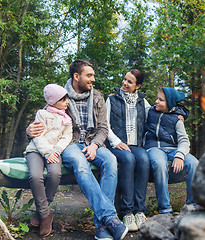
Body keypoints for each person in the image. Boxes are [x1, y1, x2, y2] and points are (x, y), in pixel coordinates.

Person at [26, 59, 128, 240]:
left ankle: (101, 225)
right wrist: (29, 131)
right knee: (81, 164)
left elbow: (104, 128)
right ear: (76, 76)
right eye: (89, 75)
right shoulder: (60, 96)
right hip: (70, 144)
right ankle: (109, 218)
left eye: (93, 75)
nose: (93, 79)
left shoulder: (97, 97)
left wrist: (95, 145)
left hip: (93, 142)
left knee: (111, 161)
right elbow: (44, 124)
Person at [25, 84, 72, 237]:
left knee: (54, 174)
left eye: (67, 99)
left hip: (55, 152)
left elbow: (67, 137)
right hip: (36, 151)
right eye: (63, 100)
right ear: (53, 101)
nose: (67, 102)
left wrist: (56, 151)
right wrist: (46, 152)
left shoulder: (67, 119)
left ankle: (41, 210)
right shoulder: (41, 114)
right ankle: (46, 215)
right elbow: (37, 135)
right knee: (35, 176)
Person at [105, 69, 150, 231]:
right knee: (128, 160)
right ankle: (127, 212)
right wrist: (116, 142)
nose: (124, 83)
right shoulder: (112, 99)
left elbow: (157, 114)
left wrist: (179, 114)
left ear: (137, 86)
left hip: (136, 145)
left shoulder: (143, 102)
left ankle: (139, 211)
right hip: (116, 145)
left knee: (144, 159)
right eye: (124, 79)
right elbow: (105, 125)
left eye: (129, 82)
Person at [144, 87, 199, 214]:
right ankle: (165, 208)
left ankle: (192, 205)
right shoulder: (150, 111)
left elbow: (184, 140)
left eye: (161, 100)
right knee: (160, 164)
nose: (156, 101)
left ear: (169, 104)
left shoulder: (177, 119)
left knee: (194, 163)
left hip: (173, 149)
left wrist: (179, 156)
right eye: (157, 98)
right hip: (154, 147)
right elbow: (137, 103)